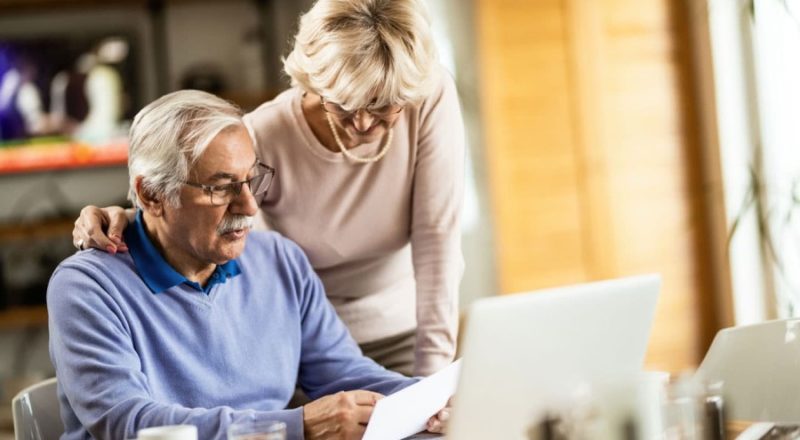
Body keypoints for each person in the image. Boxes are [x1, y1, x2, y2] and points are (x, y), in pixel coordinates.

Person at [72, 0, 465, 377]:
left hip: (404, 325)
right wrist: (130, 217)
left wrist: (432, 378)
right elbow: (202, 225)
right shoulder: (262, 136)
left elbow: (438, 236)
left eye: (382, 106)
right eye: (343, 105)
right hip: (302, 341)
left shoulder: (427, 97)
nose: (362, 124)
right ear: (314, 82)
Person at [49, 90, 449, 440]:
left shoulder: (280, 261)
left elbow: (347, 375)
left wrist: (436, 401)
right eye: (221, 188)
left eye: (250, 180)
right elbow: (130, 424)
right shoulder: (86, 288)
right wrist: (297, 428)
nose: (250, 207)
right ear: (152, 194)